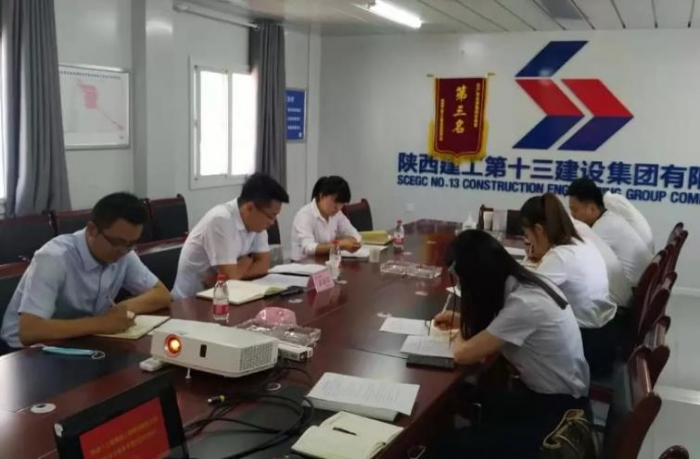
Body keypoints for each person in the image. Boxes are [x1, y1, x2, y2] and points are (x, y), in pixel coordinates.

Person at [431, 230, 589, 459]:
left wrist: (463, 330)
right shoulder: (527, 283)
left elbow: (463, 354)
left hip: (556, 416)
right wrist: (460, 320)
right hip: (553, 396)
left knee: (447, 445)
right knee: (467, 397)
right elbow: (503, 327)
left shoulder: (525, 304)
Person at [0, 193, 171, 351]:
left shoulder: (124, 252)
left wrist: (121, 310)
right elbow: (30, 331)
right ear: (92, 230)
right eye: (117, 243)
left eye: (131, 244)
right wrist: (101, 323)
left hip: (78, 339)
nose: (123, 251)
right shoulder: (54, 258)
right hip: (23, 352)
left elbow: (162, 294)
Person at [521, 193, 617, 377]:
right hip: (605, 337)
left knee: (513, 335)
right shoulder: (583, 242)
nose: (529, 242)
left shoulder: (560, 257)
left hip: (587, 348)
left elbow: (525, 297)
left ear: (539, 230)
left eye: (527, 235)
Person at [172, 173, 289, 299]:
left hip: (222, 294)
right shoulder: (221, 220)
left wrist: (227, 276)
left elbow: (263, 265)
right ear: (250, 208)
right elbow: (230, 278)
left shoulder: (257, 225)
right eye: (271, 216)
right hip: (189, 301)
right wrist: (247, 262)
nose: (272, 223)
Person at [567, 178, 653, 286]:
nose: (572, 215)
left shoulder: (603, 228)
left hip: (633, 288)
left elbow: (577, 259)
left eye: (574, 210)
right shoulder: (609, 219)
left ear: (592, 209)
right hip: (641, 284)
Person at [291, 176, 361, 260]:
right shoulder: (305, 215)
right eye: (335, 201)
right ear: (321, 196)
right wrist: (339, 244)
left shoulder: (337, 214)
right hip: (303, 264)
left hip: (327, 262)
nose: (338, 207)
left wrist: (350, 241)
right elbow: (309, 247)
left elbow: (355, 235)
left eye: (341, 203)